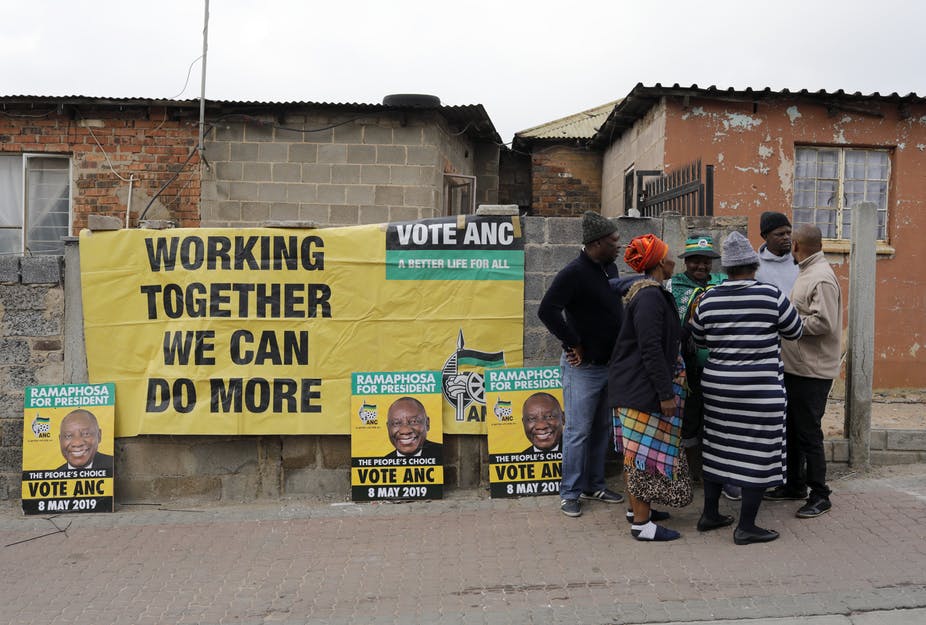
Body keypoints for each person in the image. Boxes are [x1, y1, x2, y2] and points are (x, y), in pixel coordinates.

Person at [689, 231, 803, 545]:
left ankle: (710, 514)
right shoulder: (770, 294)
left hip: (718, 388)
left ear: (725, 268)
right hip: (760, 388)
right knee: (759, 453)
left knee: (717, 448)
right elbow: (795, 330)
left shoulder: (708, 298)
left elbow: (699, 340)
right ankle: (747, 527)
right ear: (753, 264)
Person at [538, 210, 625, 518]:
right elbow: (547, 310)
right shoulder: (573, 272)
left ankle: (595, 484)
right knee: (577, 431)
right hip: (583, 368)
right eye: (614, 240)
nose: (619, 245)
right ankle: (570, 492)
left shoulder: (610, 268)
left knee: (602, 428)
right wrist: (572, 341)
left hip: (609, 364)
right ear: (597, 242)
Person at [609, 234, 687, 541]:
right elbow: (650, 348)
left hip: (633, 387)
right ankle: (642, 525)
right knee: (640, 457)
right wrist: (665, 393)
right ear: (658, 262)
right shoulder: (650, 297)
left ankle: (636, 510)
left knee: (635, 454)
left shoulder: (648, 293)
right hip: (640, 390)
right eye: (669, 257)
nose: (673, 262)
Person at [769, 224, 842, 518]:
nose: (788, 244)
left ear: (798, 245)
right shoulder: (807, 272)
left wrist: (788, 324)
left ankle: (820, 494)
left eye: (791, 241)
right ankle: (794, 484)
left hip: (812, 371)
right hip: (796, 367)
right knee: (793, 429)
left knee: (809, 433)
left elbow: (824, 323)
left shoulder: (821, 277)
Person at [668, 235, 741, 502]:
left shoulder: (722, 285)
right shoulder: (673, 287)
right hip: (685, 370)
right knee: (687, 421)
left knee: (718, 423)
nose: (702, 266)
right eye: (696, 261)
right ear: (686, 262)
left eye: (707, 261)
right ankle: (687, 473)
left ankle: (722, 478)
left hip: (718, 366)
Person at [755, 211, 799, 294]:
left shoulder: (800, 260)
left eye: (789, 233)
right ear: (765, 236)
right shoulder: (755, 266)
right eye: (780, 234)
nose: (786, 237)